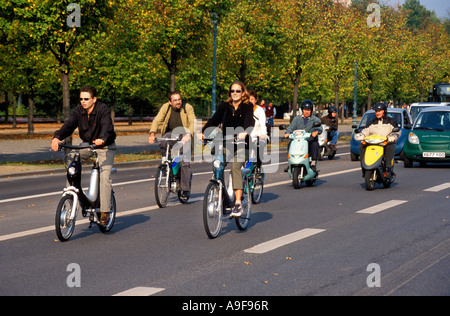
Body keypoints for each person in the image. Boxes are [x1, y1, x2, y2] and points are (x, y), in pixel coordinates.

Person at [51, 85, 116, 225]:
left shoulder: (102, 109)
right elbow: (68, 126)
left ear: (94, 99)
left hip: (105, 146)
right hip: (88, 145)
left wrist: (103, 138)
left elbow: (107, 127)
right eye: (81, 99)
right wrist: (57, 137)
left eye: (86, 99)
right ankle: (71, 192)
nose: (83, 101)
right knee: (72, 163)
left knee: (105, 176)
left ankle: (105, 212)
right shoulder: (79, 111)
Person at [197, 81, 254, 217]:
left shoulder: (247, 106)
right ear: (230, 93)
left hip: (242, 144)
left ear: (243, 93)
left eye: (238, 91)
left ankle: (238, 203)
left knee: (235, 167)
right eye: (232, 91)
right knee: (218, 166)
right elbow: (213, 120)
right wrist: (203, 132)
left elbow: (249, 121)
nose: (235, 93)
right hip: (226, 143)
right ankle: (225, 200)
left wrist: (245, 132)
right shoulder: (225, 106)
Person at [149, 91, 196, 200]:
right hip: (170, 134)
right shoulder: (166, 107)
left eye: (179, 99)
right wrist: (152, 133)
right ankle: (167, 166)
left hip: (184, 135)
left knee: (185, 162)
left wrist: (188, 134)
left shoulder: (187, 107)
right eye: (175, 100)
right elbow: (157, 119)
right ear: (170, 102)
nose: (178, 102)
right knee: (164, 143)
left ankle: (185, 189)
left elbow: (193, 121)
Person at [355, 102, 399, 177]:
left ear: (384, 111)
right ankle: (364, 169)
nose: (377, 113)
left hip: (385, 143)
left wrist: (393, 137)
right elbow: (365, 131)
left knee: (390, 147)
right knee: (361, 147)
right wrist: (361, 136)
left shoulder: (391, 121)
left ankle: (387, 169)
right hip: (372, 143)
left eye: (379, 111)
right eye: (376, 111)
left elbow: (397, 132)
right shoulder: (371, 122)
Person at [284, 99, 322, 172]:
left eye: (308, 110)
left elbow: (319, 128)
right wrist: (287, 133)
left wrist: (316, 132)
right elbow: (291, 127)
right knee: (290, 144)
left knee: (315, 144)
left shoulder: (315, 119)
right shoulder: (296, 119)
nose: (306, 111)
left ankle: (313, 163)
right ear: (302, 110)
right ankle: (290, 163)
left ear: (311, 110)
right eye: (305, 109)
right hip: (298, 141)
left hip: (309, 141)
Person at [249, 90, 267, 167]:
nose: (250, 101)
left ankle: (258, 168)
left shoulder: (259, 110)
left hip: (258, 135)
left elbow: (263, 124)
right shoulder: (243, 110)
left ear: (255, 100)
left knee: (259, 147)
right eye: (248, 99)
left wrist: (263, 134)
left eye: (252, 99)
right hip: (247, 136)